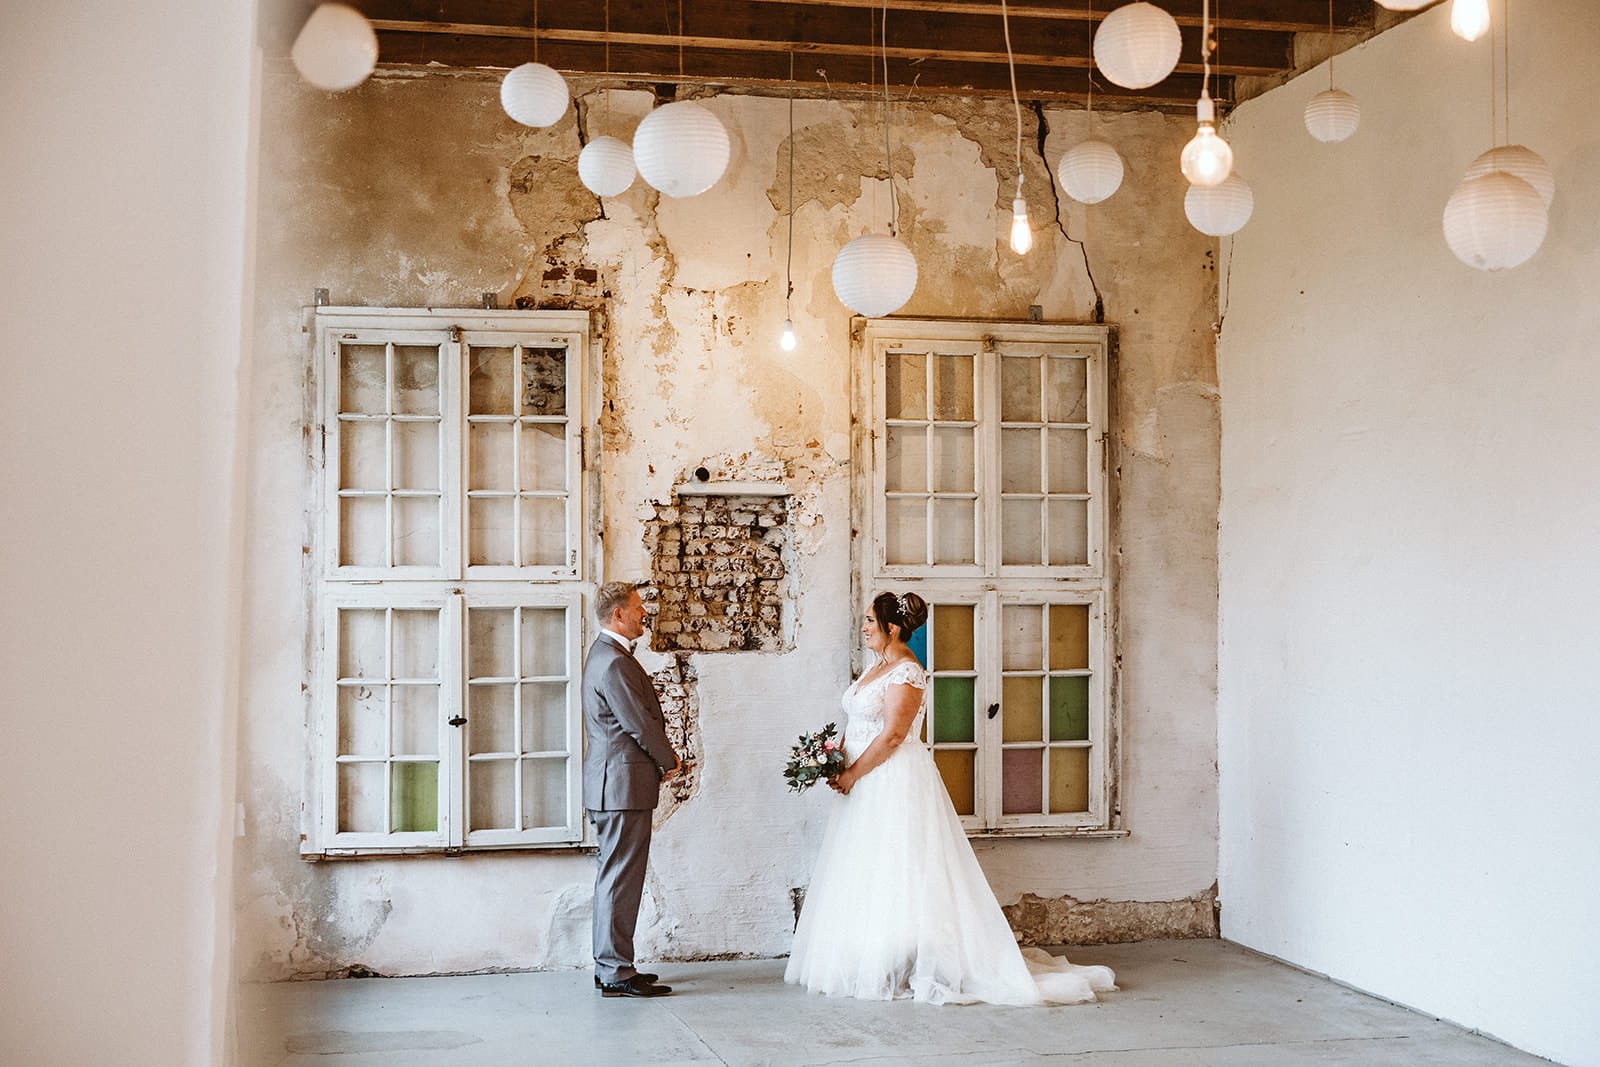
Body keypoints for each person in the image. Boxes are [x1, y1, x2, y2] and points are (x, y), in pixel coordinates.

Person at [785, 591, 1117, 1006]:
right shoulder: (878, 667)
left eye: (871, 621)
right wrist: (835, 756)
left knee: (902, 867)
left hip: (891, 780)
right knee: (869, 866)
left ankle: (911, 963)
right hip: (865, 781)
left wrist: (851, 772)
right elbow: (862, 723)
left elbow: (892, 736)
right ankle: (875, 958)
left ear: (892, 627)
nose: (864, 627)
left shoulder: (906, 672)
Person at [582, 581, 682, 998]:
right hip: (619, 786)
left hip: (615, 785)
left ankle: (616, 966)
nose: (645, 614)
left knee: (618, 876)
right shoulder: (614, 663)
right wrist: (670, 759)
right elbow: (638, 723)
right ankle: (613, 971)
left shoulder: (605, 656)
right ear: (618, 614)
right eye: (639, 608)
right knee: (620, 878)